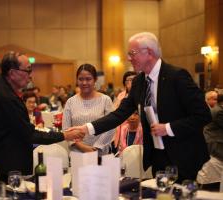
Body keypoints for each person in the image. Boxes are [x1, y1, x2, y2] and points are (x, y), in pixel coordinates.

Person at [68, 32, 211, 182]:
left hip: (184, 155)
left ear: (148, 52)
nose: (129, 58)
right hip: (158, 158)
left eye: (132, 53)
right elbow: (119, 114)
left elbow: (203, 115)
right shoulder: (139, 82)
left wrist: (167, 128)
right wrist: (86, 128)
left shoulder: (177, 76)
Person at [0, 52, 83, 182]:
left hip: (1, 163)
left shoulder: (4, 90)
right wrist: (65, 135)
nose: (30, 76)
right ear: (12, 73)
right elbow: (29, 135)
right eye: (28, 71)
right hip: (2, 170)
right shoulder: (6, 97)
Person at [62, 64, 115, 156]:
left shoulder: (105, 100)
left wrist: (97, 147)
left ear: (95, 80)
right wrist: (82, 146)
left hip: (101, 152)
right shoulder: (70, 102)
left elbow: (111, 127)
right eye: (81, 79)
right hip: (77, 153)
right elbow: (66, 130)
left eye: (88, 79)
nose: (84, 83)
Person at [197, 94, 223, 187]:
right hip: (215, 144)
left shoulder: (217, 109)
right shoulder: (219, 111)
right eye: (213, 99)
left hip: (212, 143)